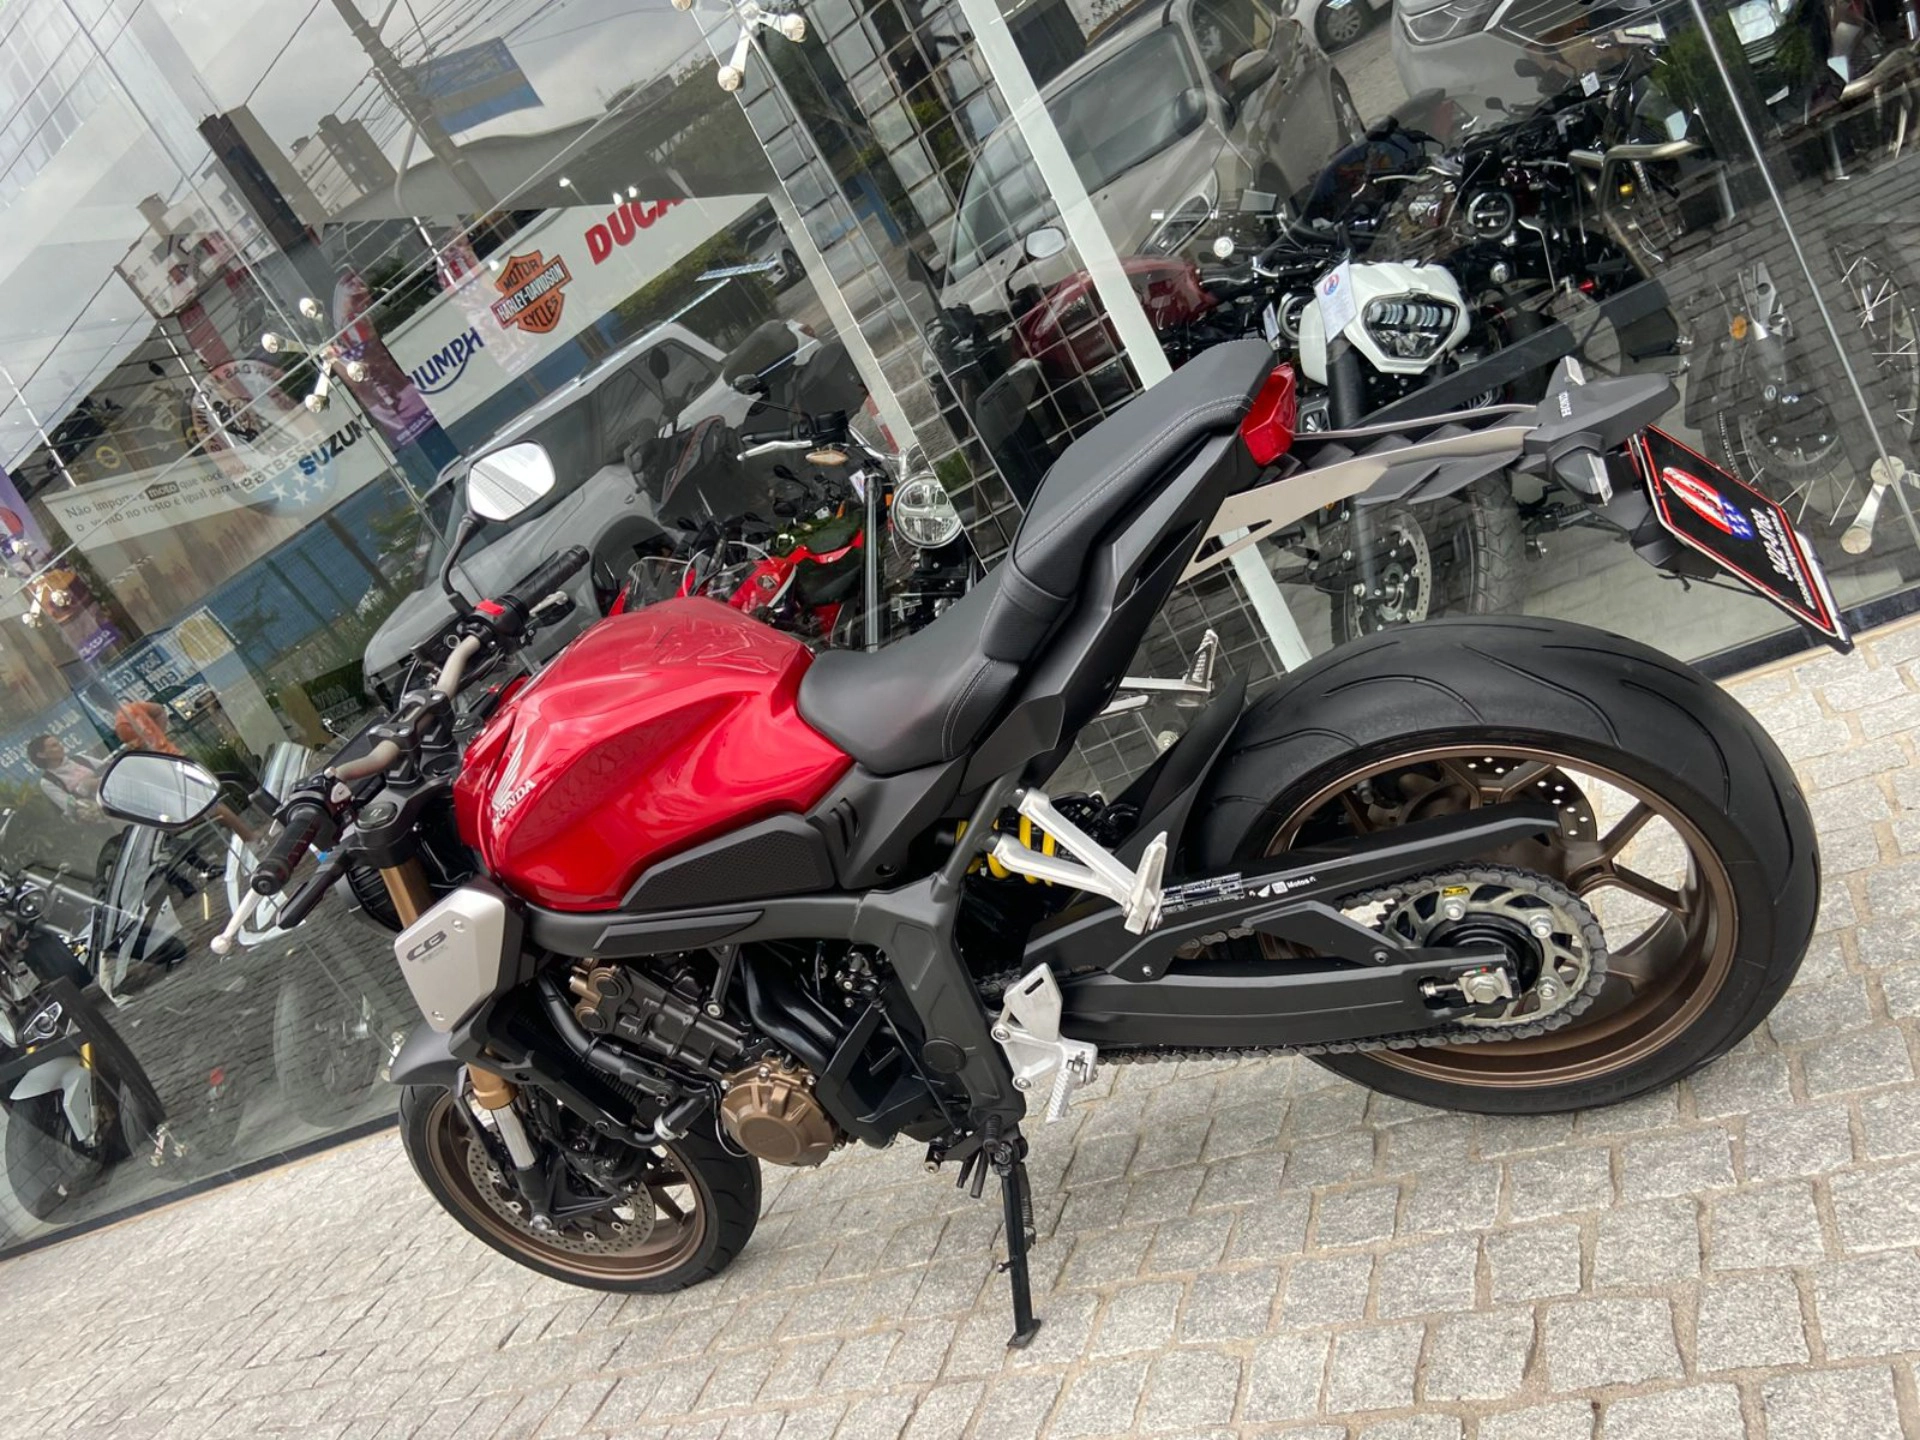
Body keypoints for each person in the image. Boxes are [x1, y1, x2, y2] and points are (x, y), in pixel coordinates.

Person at [26, 732, 104, 820]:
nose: (61, 747)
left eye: (59, 743)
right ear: (41, 755)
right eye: (54, 746)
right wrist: (84, 788)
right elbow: (70, 806)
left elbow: (107, 767)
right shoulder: (48, 781)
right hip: (100, 811)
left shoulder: (79, 758)